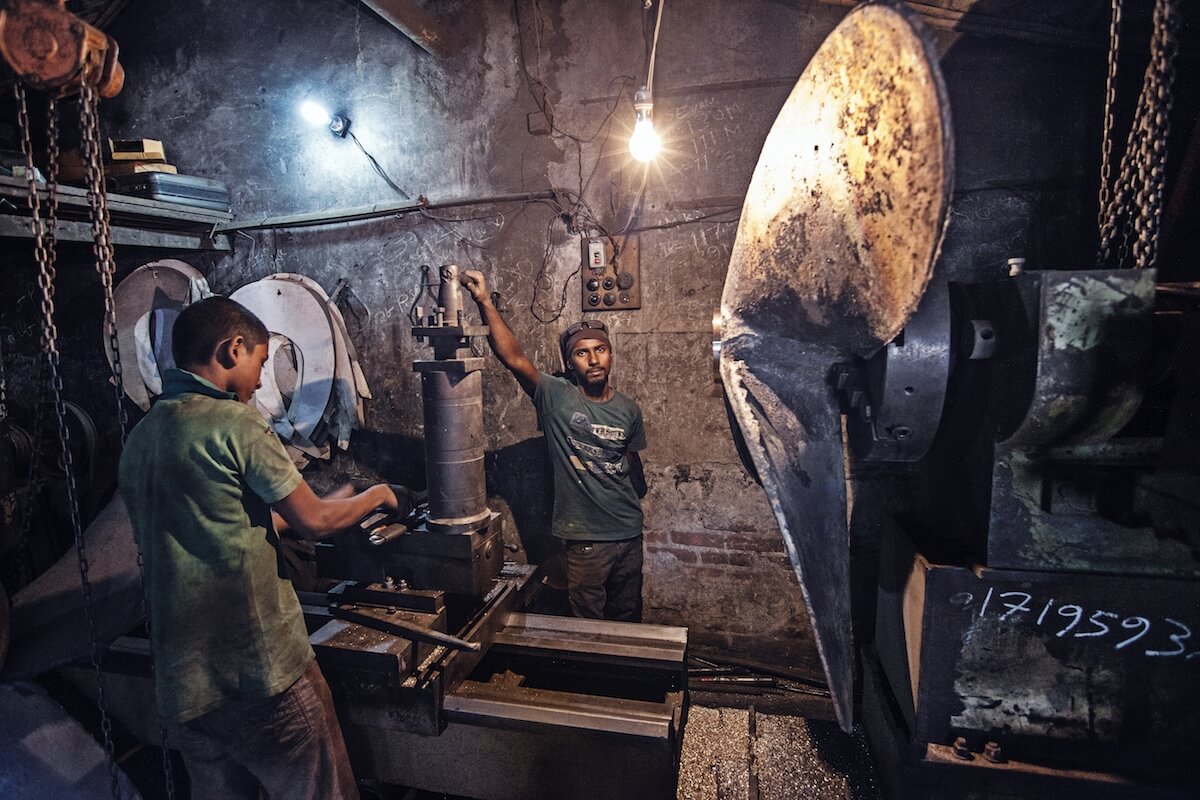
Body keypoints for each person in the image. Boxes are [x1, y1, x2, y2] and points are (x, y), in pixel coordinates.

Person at [119, 296, 399, 800]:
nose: (259, 382)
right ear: (233, 349)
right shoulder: (237, 424)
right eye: (261, 364)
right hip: (257, 676)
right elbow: (315, 523)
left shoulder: (142, 437)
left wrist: (314, 508)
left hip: (185, 687)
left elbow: (215, 523)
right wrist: (377, 494)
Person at [461, 269, 647, 621]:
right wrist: (484, 301)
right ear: (569, 362)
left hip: (630, 535)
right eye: (582, 353)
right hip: (587, 541)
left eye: (600, 350)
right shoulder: (556, 397)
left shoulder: (628, 409)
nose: (593, 360)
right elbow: (513, 357)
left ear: (610, 354)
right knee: (588, 627)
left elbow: (632, 467)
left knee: (629, 620)